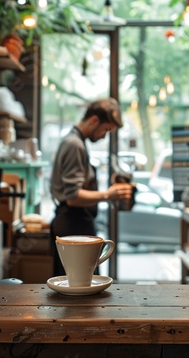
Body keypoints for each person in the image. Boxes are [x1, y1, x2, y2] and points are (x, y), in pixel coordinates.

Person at [49, 97, 134, 277]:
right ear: (94, 120)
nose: (104, 135)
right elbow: (73, 197)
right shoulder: (75, 145)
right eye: (106, 129)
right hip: (72, 225)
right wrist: (107, 194)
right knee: (78, 290)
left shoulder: (76, 142)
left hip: (75, 224)